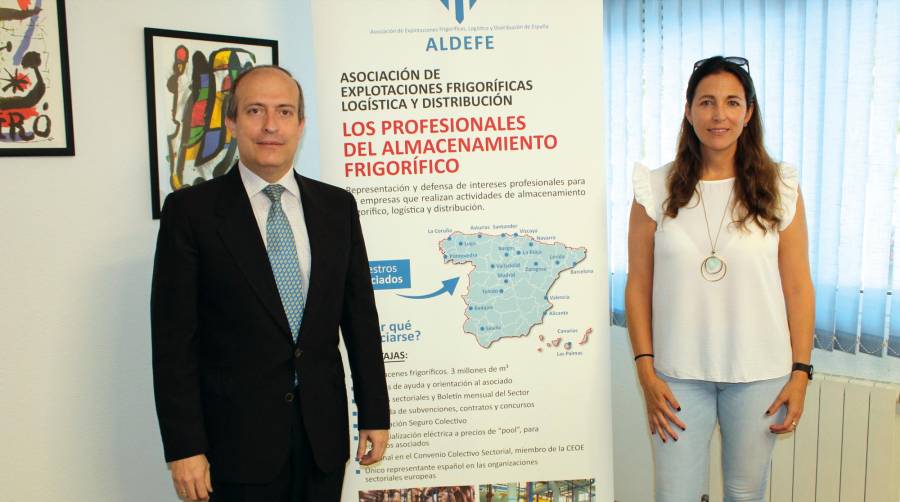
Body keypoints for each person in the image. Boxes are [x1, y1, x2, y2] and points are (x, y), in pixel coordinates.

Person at [151, 65, 390, 502]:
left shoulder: (337, 208)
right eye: (255, 110)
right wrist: (184, 447)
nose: (270, 126)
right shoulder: (191, 213)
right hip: (234, 447)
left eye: (284, 111)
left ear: (301, 124)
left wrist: (374, 412)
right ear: (232, 123)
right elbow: (173, 343)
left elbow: (359, 318)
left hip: (322, 440)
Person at [625, 56, 814, 501]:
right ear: (688, 111)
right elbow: (638, 285)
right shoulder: (654, 188)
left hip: (759, 373)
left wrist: (801, 372)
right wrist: (646, 372)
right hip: (676, 375)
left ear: (749, 113)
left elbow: (798, 286)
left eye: (732, 102)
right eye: (706, 102)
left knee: (746, 494)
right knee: (675, 495)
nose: (719, 115)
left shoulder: (780, 186)